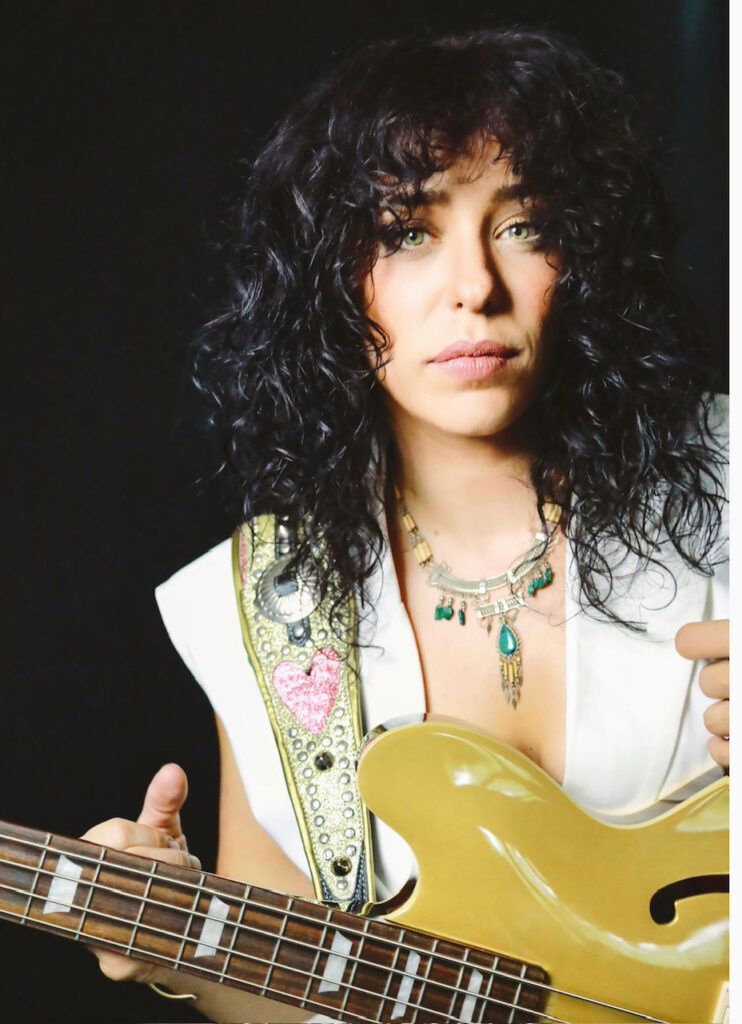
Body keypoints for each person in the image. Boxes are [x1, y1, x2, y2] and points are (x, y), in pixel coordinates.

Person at [82, 26, 729, 1023]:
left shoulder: (727, 477)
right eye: (407, 233)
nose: (475, 286)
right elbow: (306, 988)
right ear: (332, 280)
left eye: (526, 225)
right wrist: (179, 938)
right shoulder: (262, 603)